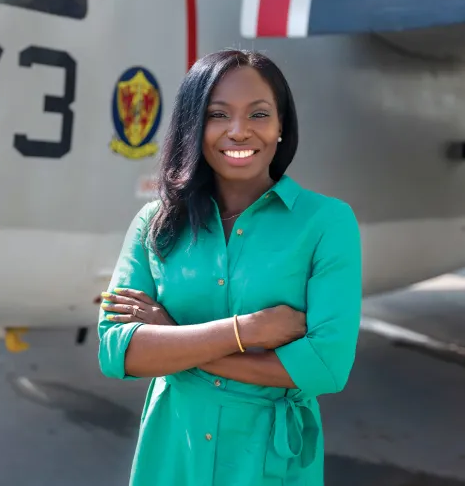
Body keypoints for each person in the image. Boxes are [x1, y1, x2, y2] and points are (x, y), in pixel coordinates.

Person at [97, 49, 362, 486]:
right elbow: (116, 351)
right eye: (218, 115)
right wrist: (247, 331)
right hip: (172, 456)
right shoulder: (155, 222)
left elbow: (324, 369)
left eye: (259, 114)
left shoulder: (327, 223)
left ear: (281, 127)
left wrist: (171, 336)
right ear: (194, 126)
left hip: (267, 465)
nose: (239, 132)